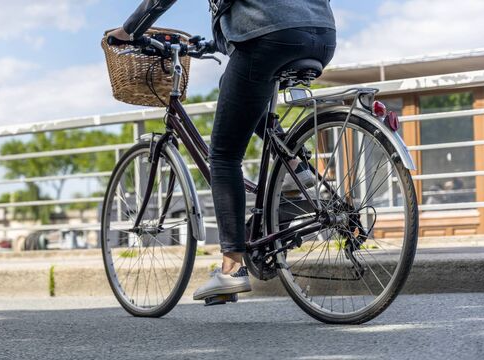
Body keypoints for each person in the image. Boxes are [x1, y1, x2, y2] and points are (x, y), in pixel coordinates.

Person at [108, 0, 336, 300]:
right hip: (322, 35)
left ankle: (231, 269)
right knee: (246, 98)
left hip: (268, 36)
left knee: (225, 155)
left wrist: (130, 29)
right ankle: (297, 172)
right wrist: (213, 43)